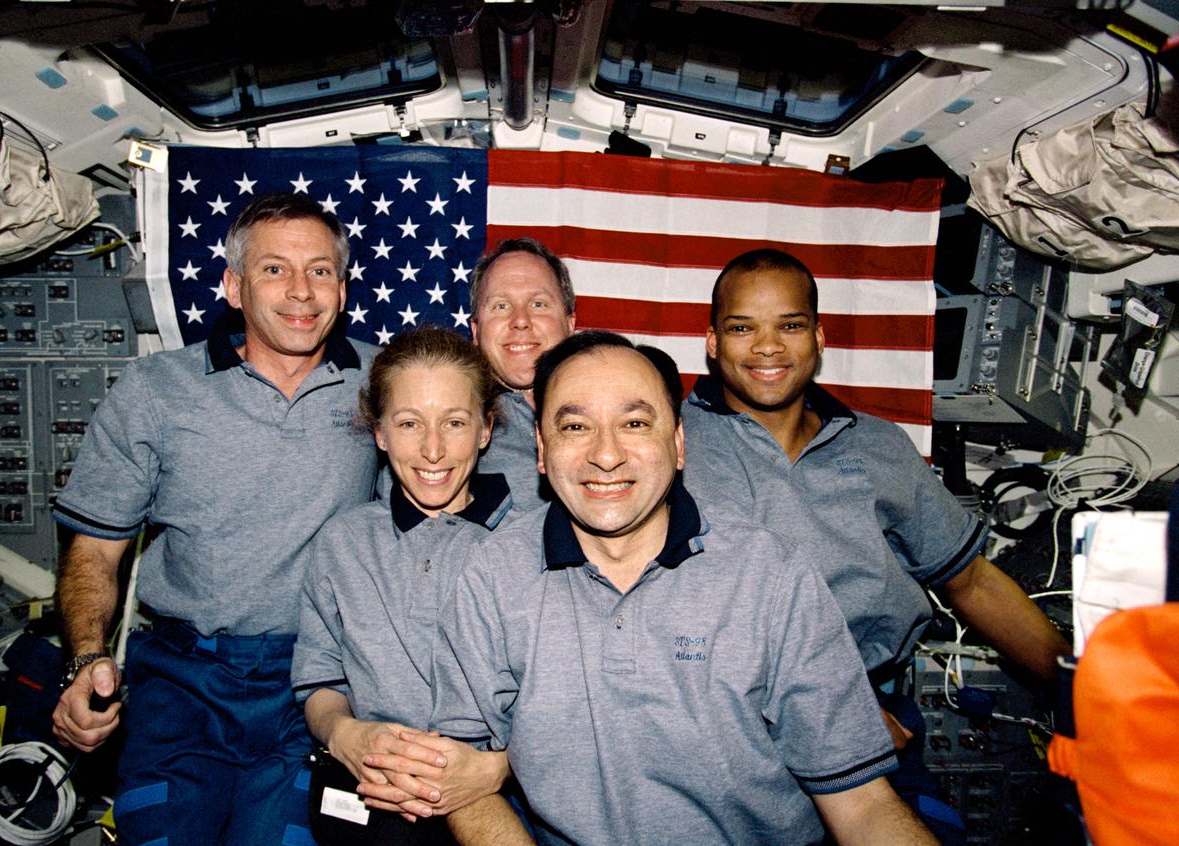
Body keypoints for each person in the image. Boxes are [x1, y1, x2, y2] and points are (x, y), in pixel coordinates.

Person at [432, 331, 937, 845]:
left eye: (634, 423)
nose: (606, 455)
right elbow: (465, 783)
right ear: (541, 450)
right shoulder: (492, 577)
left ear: (677, 444)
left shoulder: (771, 576)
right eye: (575, 426)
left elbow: (863, 805)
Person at [683, 248, 1071, 839]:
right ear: (712, 342)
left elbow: (971, 583)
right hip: (723, 715)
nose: (767, 347)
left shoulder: (880, 447)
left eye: (789, 325)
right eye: (742, 328)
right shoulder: (668, 442)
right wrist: (830, 712)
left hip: (883, 712)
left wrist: (1082, 693)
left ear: (818, 336)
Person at [50, 193, 379, 846]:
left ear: (342, 290)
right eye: (274, 269)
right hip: (181, 687)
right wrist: (85, 659)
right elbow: (95, 553)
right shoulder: (154, 391)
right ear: (232, 286)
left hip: (314, 686)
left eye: (320, 271)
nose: (301, 291)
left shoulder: (383, 384)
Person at [291, 326, 531, 845]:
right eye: (408, 423)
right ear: (379, 432)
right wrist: (346, 733)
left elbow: (569, 707)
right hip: (372, 785)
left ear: (486, 429)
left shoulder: (532, 546)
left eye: (455, 422)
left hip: (498, 788)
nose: (432, 450)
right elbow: (319, 681)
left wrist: (497, 769)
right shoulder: (344, 543)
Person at [469, 237, 576, 510]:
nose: (520, 321)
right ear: (475, 331)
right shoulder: (446, 430)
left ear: (570, 323)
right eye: (501, 306)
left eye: (538, 304)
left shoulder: (620, 415)